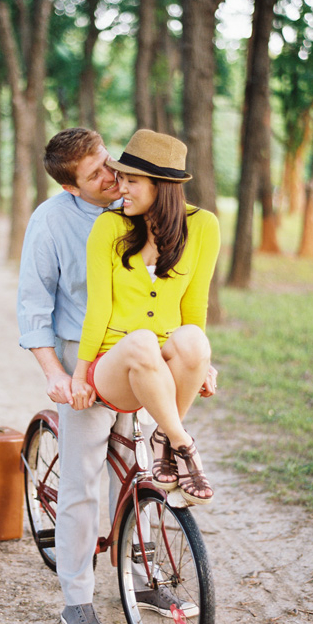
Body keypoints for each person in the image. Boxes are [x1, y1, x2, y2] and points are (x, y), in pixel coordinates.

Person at [18, 128, 160, 624]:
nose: (111, 174)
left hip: (137, 353)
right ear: (73, 187)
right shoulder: (51, 222)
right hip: (82, 359)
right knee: (83, 481)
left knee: (142, 465)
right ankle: (76, 599)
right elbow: (34, 305)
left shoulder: (138, 203)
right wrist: (56, 375)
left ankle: (146, 580)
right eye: (96, 173)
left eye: (108, 160)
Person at [70, 129, 220, 505]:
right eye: (119, 177)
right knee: (138, 342)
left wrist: (203, 363)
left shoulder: (203, 226)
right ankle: (182, 441)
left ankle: (163, 438)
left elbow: (194, 306)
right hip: (113, 366)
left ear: (162, 186)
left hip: (162, 364)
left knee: (195, 341)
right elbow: (98, 306)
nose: (121, 188)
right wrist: (78, 373)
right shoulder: (109, 225)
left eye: (131, 181)